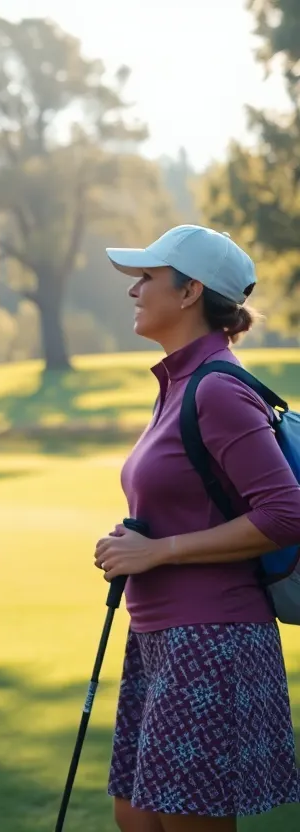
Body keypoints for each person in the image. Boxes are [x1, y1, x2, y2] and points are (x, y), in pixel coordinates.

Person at [94, 224, 300, 832]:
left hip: (212, 642)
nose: (134, 292)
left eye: (147, 278)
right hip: (160, 638)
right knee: (137, 821)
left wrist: (158, 551)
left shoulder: (216, 388)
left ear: (190, 294)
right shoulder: (179, 383)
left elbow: (287, 513)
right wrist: (139, 543)